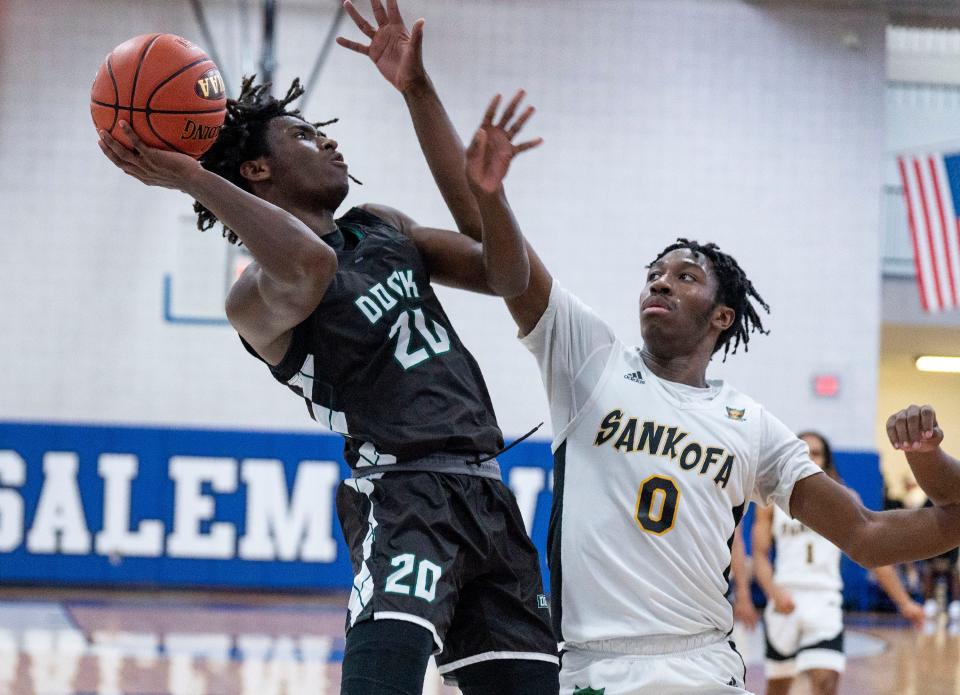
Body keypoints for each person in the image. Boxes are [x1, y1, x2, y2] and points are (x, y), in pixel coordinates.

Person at [96, 3, 560, 693]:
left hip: (490, 495)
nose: (332, 144)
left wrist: (421, 96)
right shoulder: (253, 296)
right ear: (255, 170)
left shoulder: (381, 226)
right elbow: (309, 267)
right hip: (406, 500)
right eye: (306, 135)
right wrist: (192, 175)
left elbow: (506, 272)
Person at [429, 120, 960, 691]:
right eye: (654, 276)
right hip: (592, 665)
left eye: (684, 277)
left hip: (703, 664)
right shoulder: (590, 363)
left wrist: (927, 459)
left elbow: (867, 534)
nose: (660, 284)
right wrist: (476, 174)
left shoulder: (752, 426)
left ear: (721, 316)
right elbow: (503, 263)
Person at [752, 431, 925, 695]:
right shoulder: (772, 501)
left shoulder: (845, 499)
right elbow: (760, 556)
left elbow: (872, 554)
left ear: (827, 459)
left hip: (824, 600)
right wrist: (773, 591)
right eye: (804, 451)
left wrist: (904, 602)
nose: (810, 457)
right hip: (784, 598)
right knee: (777, 688)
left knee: (826, 682)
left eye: (817, 452)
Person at [886, 405, 960, 634]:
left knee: (954, 573)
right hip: (931, 544)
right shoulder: (919, 501)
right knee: (930, 572)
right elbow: (868, 538)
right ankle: (931, 603)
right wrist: (924, 453)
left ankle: (955, 605)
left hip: (950, 549)